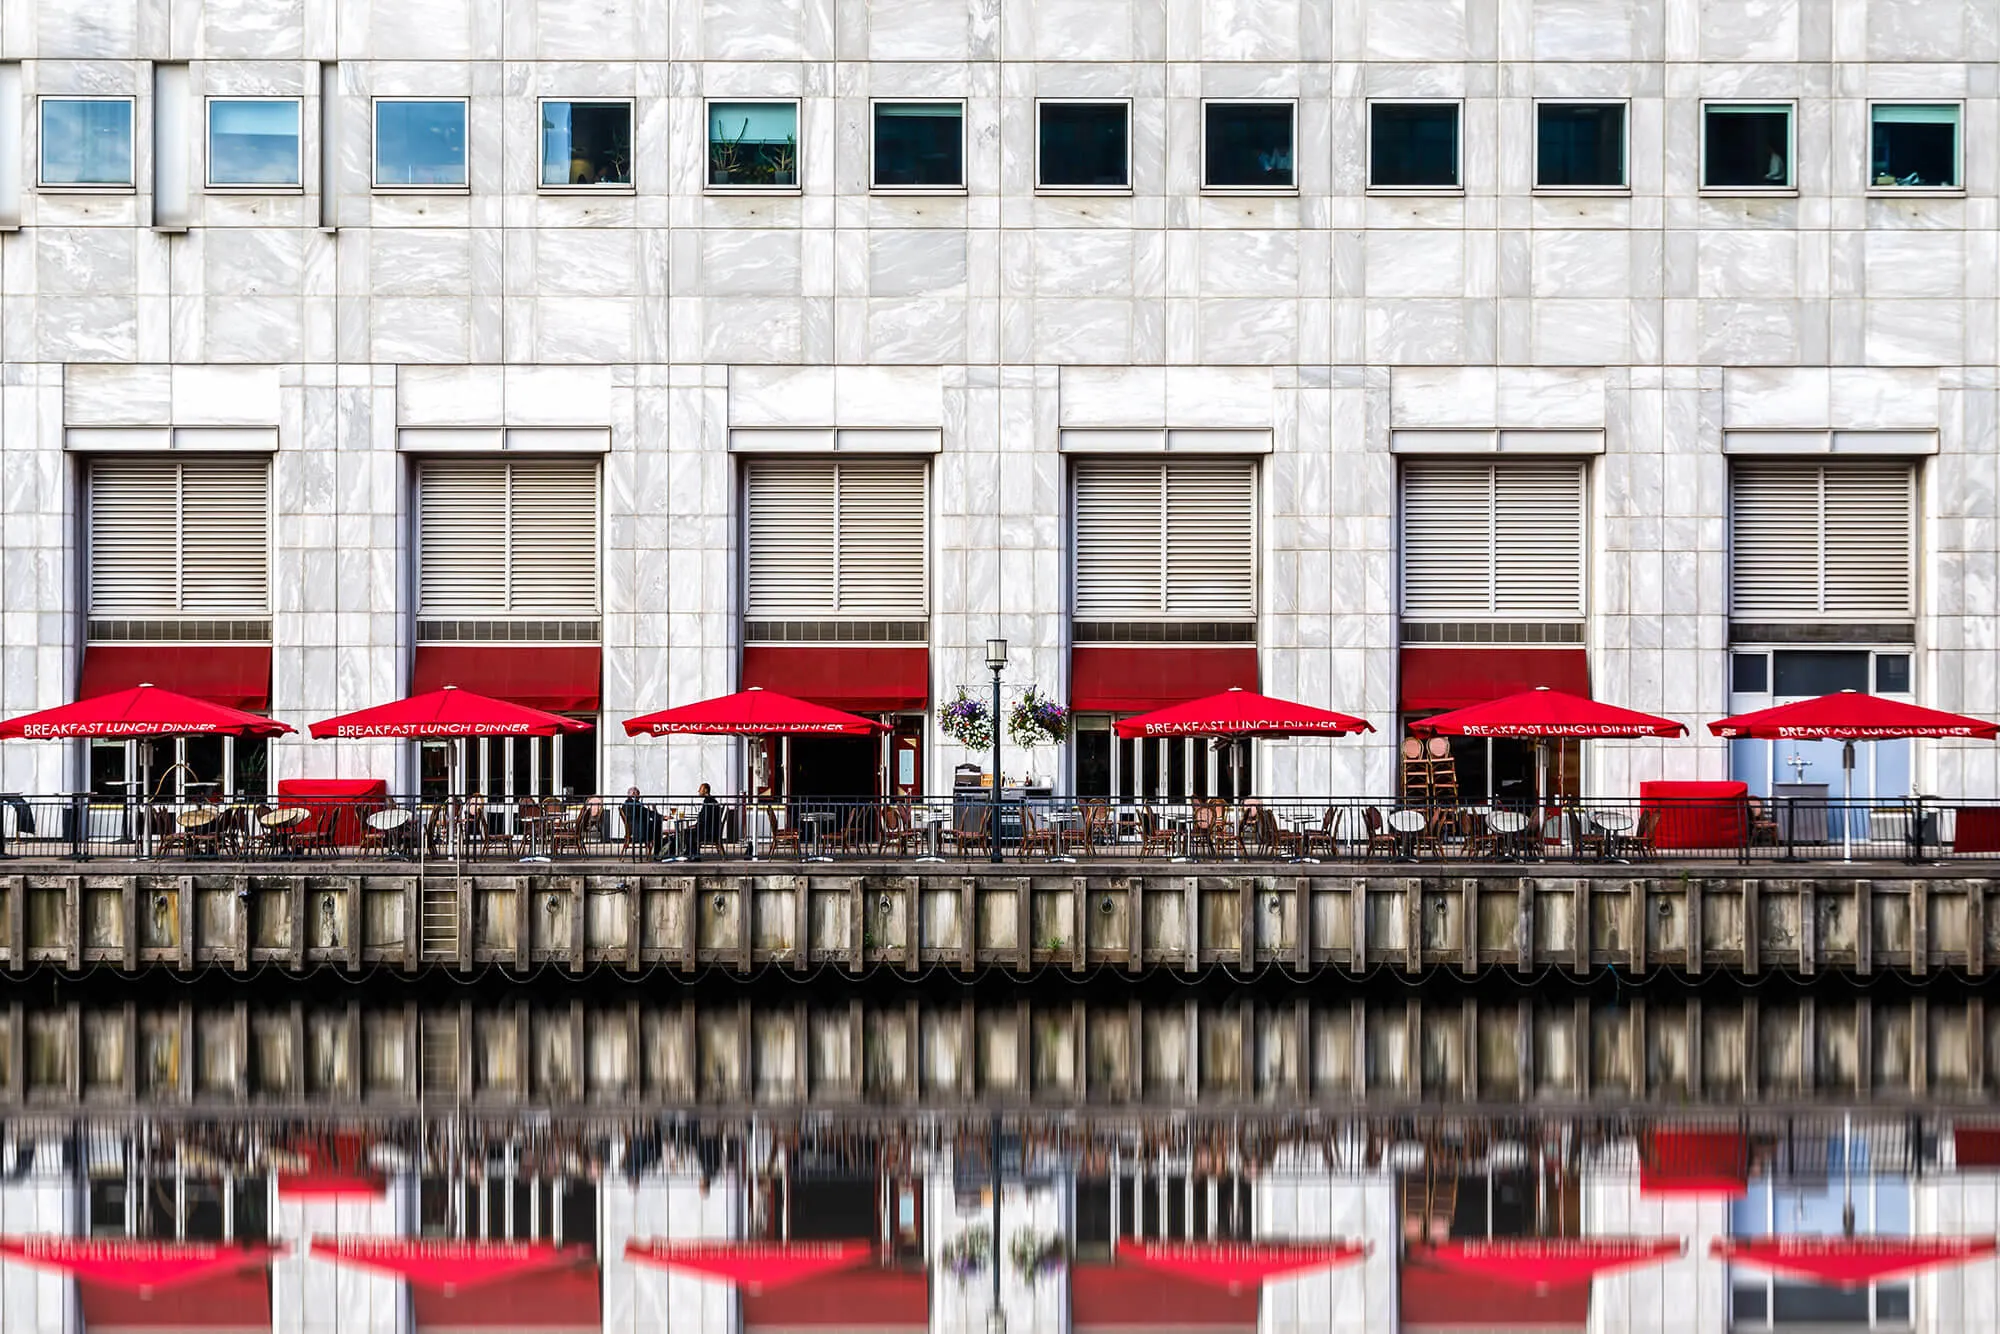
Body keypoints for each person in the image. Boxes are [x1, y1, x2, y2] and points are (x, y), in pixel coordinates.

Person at [621, 787, 664, 857]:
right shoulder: (635, 804)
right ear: (634, 794)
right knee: (658, 824)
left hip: (634, 831)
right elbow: (647, 813)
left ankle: (657, 853)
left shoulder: (625, 804)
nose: (639, 797)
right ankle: (657, 853)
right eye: (638, 795)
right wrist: (661, 817)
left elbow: (646, 813)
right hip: (640, 833)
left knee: (655, 823)